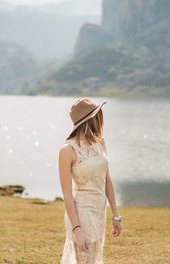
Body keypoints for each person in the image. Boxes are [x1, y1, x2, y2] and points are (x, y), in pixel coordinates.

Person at [58, 97, 122, 263]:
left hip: (100, 210)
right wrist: (76, 228)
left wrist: (116, 215)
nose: (101, 118)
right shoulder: (67, 150)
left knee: (94, 258)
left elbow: (107, 179)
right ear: (90, 120)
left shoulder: (100, 142)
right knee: (84, 260)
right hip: (82, 213)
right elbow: (67, 194)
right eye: (97, 115)